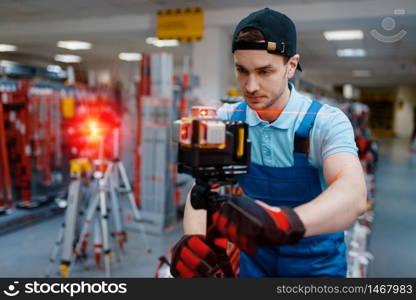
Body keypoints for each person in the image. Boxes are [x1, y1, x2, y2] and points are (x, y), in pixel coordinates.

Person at [170, 8, 367, 278]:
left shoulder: (325, 123)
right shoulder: (227, 120)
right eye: (242, 70)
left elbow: (353, 194)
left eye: (264, 72)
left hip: (316, 265)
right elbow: (203, 187)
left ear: (291, 66)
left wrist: (284, 223)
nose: (250, 86)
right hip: (254, 260)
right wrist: (195, 241)